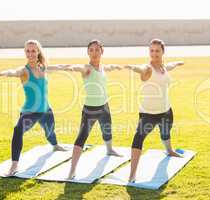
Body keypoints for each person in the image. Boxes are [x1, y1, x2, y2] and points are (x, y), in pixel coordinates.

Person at [0, 39, 69, 176]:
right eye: (28, 51)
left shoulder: (43, 67)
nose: (30, 54)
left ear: (38, 51)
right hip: (31, 112)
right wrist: (2, 73)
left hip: (46, 109)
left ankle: (56, 146)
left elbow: (59, 66)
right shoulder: (24, 71)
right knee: (17, 130)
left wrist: (70, 66)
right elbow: (13, 72)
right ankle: (14, 165)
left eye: (33, 50)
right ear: (25, 53)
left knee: (50, 133)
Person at [124, 38, 184, 182]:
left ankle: (169, 151)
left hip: (166, 110)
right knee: (138, 139)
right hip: (148, 114)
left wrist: (176, 63)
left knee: (165, 133)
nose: (154, 53)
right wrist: (132, 67)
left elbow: (168, 66)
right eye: (151, 50)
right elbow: (142, 69)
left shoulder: (163, 67)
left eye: (157, 50)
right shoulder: (148, 68)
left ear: (163, 52)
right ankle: (132, 174)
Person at [64, 39, 123, 179]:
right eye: (91, 50)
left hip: (104, 106)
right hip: (90, 109)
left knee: (107, 130)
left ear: (102, 51)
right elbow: (76, 67)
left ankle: (109, 150)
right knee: (82, 137)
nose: (94, 52)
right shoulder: (87, 68)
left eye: (97, 49)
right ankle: (72, 170)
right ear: (88, 53)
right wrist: (69, 68)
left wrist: (119, 66)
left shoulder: (102, 67)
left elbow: (110, 67)